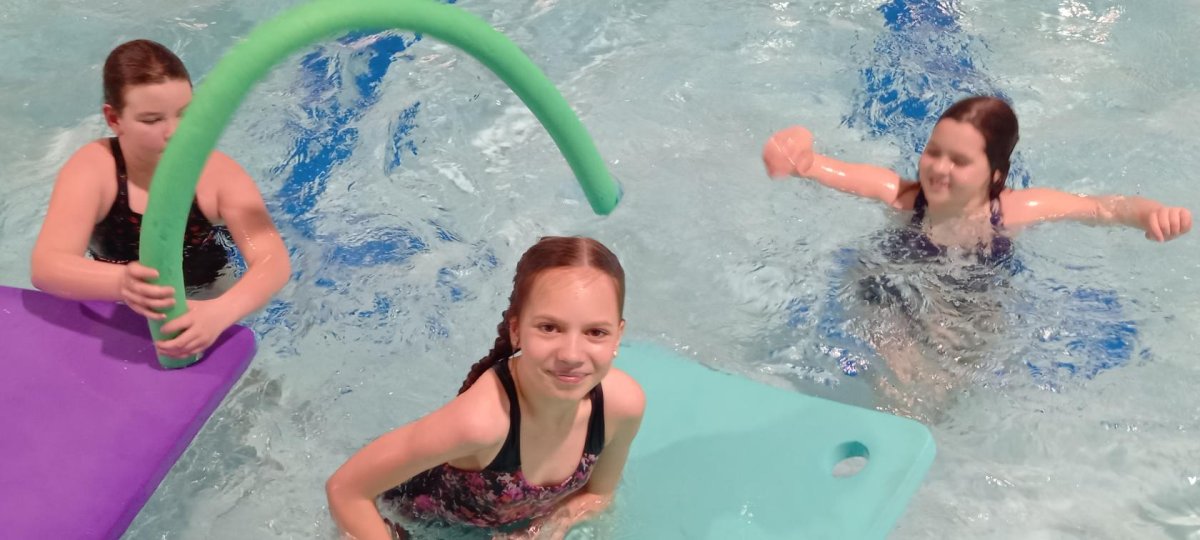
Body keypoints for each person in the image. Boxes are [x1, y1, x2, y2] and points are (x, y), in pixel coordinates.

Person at [762, 96, 1192, 413]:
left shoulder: (1014, 211)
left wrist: (1152, 214)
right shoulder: (902, 196)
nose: (938, 168)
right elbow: (816, 165)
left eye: (959, 161)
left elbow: (1104, 207)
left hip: (969, 302)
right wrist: (796, 146)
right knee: (902, 388)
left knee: (948, 390)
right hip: (892, 291)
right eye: (933, 152)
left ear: (995, 174)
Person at [326, 236, 645, 540]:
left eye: (596, 332)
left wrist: (544, 530)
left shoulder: (620, 408)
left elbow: (598, 495)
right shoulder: (481, 423)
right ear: (517, 331)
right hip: (409, 522)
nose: (571, 355)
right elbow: (346, 490)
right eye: (549, 328)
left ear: (618, 336)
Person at [30, 39, 290, 359]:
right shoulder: (96, 169)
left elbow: (273, 261)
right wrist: (120, 282)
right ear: (114, 119)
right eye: (152, 120)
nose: (174, 132)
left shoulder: (217, 175)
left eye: (185, 114)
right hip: (115, 300)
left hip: (206, 293)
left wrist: (221, 312)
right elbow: (46, 266)